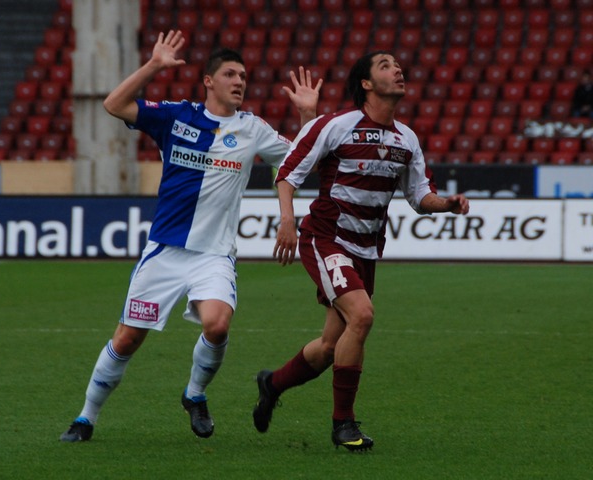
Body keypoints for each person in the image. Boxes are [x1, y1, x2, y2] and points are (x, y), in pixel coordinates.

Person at [60, 30, 322, 442]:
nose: (239, 81)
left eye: (243, 76)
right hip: (165, 250)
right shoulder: (176, 116)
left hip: (213, 255)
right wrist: (154, 65)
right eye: (231, 74)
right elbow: (114, 105)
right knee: (127, 339)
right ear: (208, 81)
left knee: (217, 326)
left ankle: (194, 394)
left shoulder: (252, 129)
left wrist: (308, 117)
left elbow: (303, 162)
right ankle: (85, 418)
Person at [252, 51, 470, 452]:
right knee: (363, 316)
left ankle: (273, 384)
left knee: (329, 347)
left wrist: (447, 204)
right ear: (366, 84)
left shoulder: (407, 139)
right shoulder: (338, 125)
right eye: (385, 65)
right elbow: (288, 173)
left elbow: (420, 196)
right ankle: (343, 424)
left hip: (366, 250)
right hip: (326, 239)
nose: (398, 69)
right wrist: (286, 220)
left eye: (398, 64)